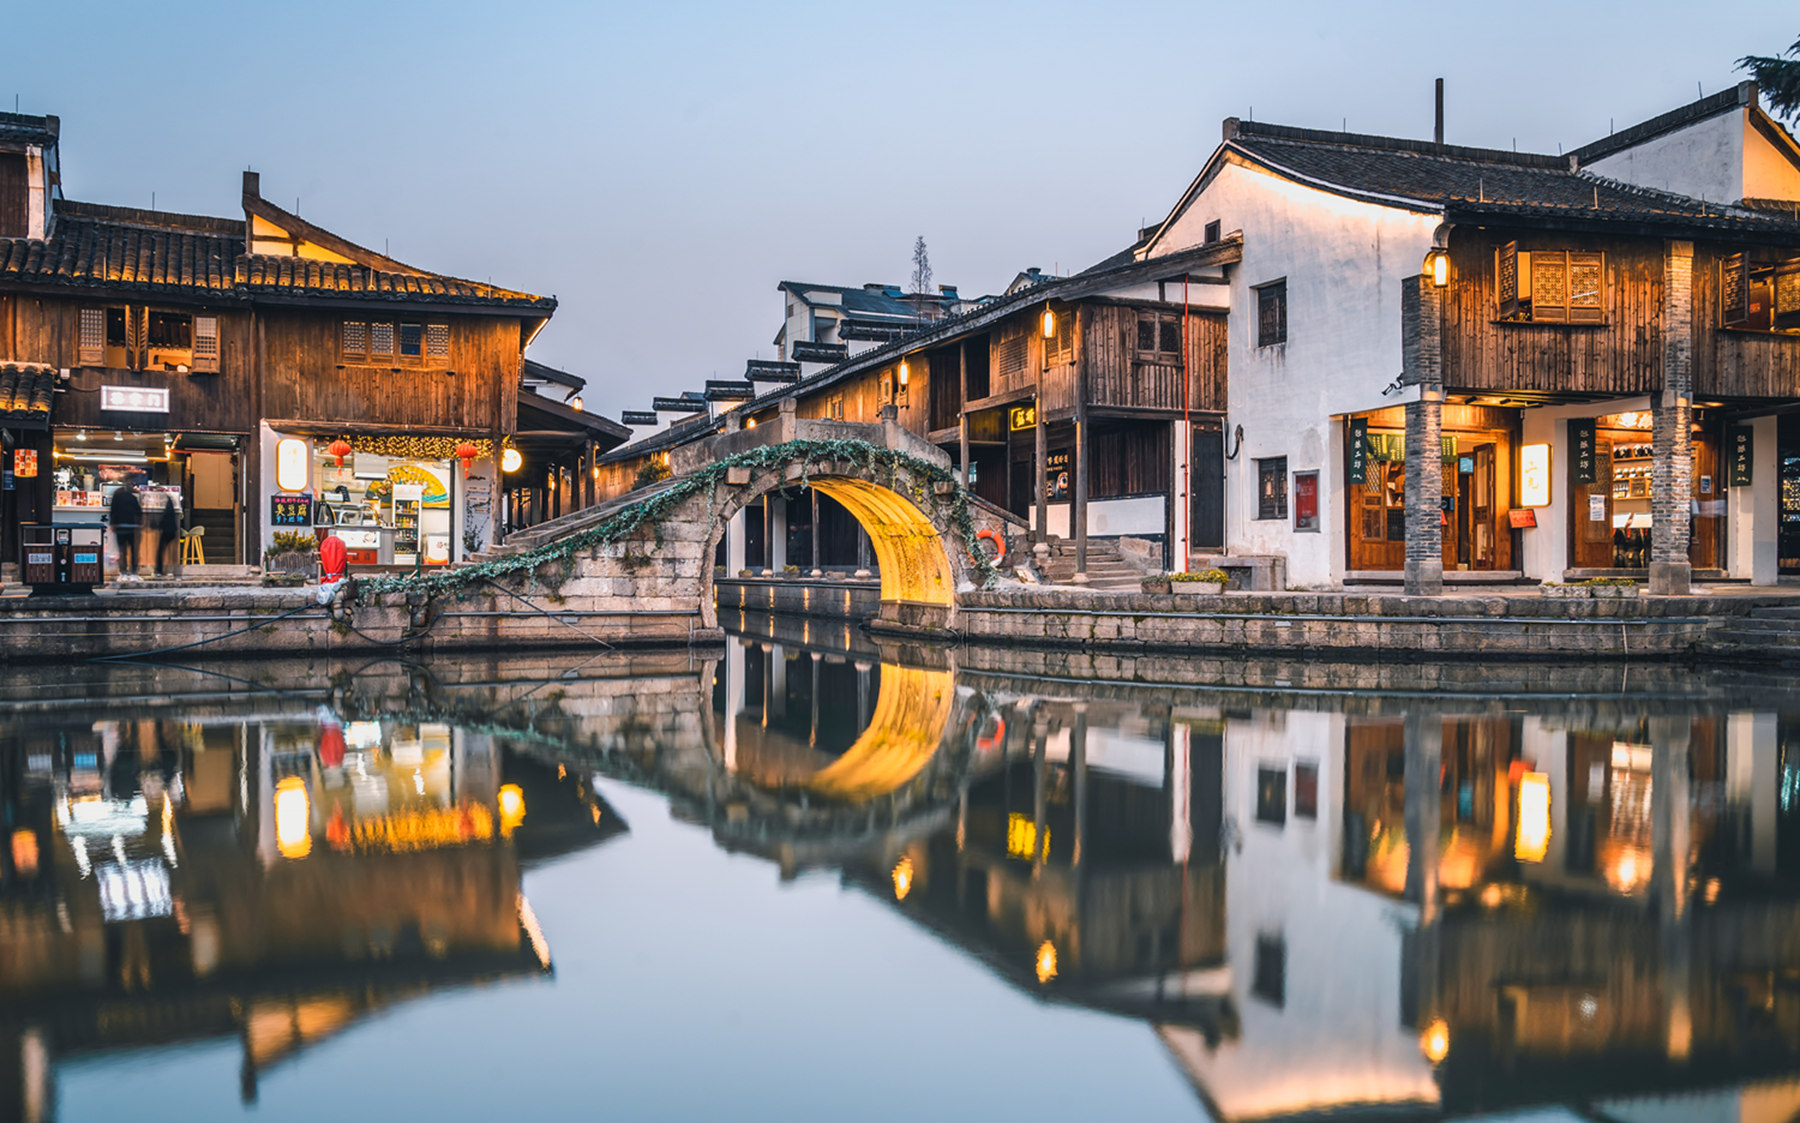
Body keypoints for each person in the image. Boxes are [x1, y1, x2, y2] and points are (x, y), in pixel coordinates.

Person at [110, 478, 143, 582]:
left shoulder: (116, 497)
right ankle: (133, 574)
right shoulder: (133, 498)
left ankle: (123, 574)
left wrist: (113, 524)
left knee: (122, 552)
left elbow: (113, 512)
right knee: (134, 552)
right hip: (133, 528)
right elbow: (139, 512)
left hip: (121, 528)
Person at [156, 494, 181, 577]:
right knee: (170, 551)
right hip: (172, 531)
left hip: (166, 531)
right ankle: (170, 570)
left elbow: (163, 520)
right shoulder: (171, 506)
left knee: (161, 550)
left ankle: (159, 570)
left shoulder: (166, 508)